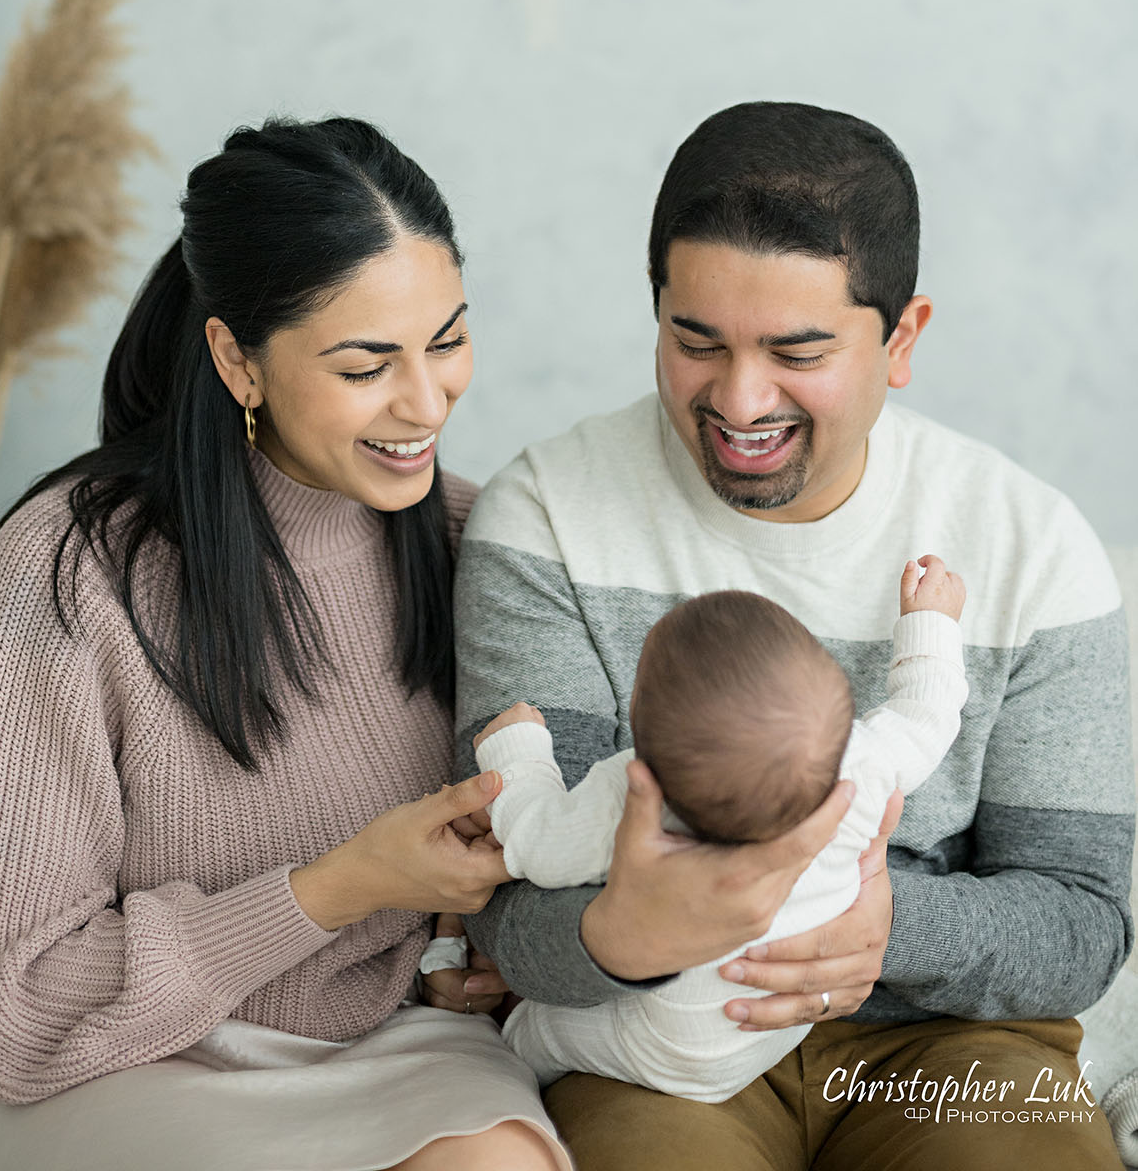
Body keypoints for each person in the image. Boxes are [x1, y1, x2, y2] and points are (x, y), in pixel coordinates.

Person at [455, 100, 1134, 1170]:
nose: (737, 399)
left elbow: (1081, 925)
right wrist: (619, 938)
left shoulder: (1028, 546)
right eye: (695, 342)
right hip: (653, 1043)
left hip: (948, 1044)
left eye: (795, 349)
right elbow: (506, 899)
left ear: (900, 338)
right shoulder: (548, 519)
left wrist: (880, 927)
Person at [0, 116, 578, 1171]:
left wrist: (481, 956)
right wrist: (339, 886)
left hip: (388, 1049)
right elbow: (13, 1009)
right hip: (110, 1068)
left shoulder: (475, 540)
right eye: (367, 364)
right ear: (237, 358)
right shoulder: (72, 568)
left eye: (447, 340)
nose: (427, 402)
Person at [473, 555, 967, 1101]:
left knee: (536, 1033)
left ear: (637, 710)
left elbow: (534, 844)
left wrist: (518, 752)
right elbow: (928, 713)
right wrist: (931, 622)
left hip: (665, 1046)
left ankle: (504, 1071)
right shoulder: (863, 760)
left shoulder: (633, 793)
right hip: (781, 1026)